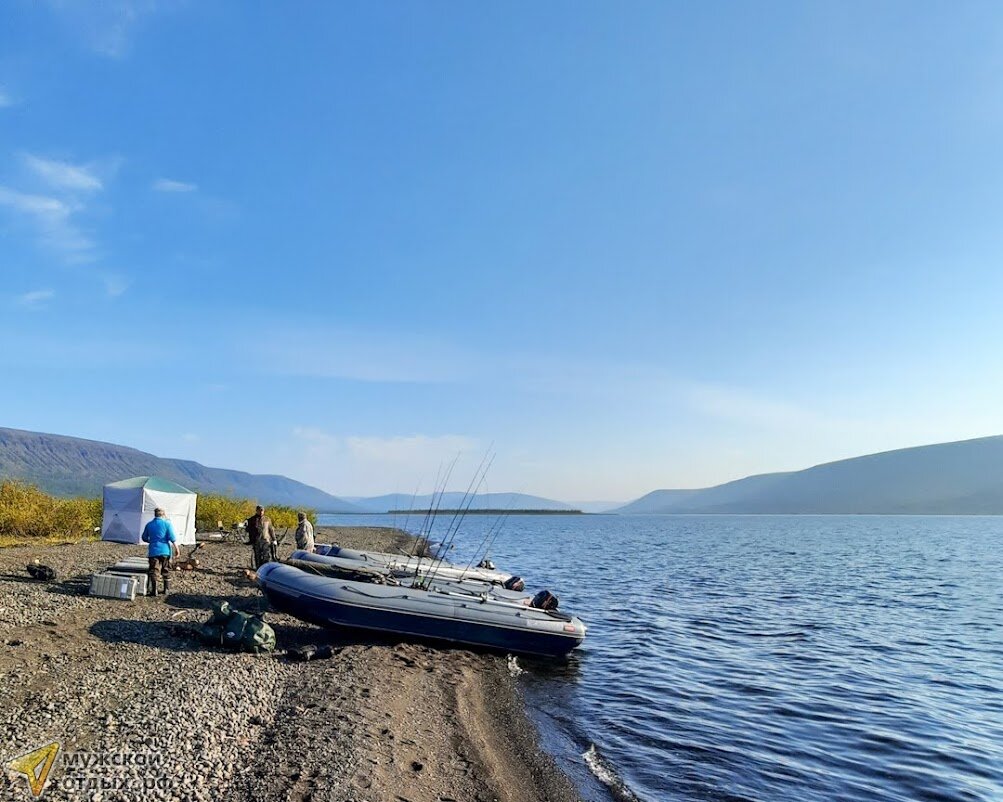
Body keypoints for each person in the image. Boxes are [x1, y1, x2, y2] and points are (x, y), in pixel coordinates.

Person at [141, 508, 177, 597]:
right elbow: (172, 538)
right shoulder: (167, 524)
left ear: (155, 514)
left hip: (153, 550)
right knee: (166, 569)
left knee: (153, 570)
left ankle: (154, 590)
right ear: (163, 514)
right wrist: (177, 549)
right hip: (165, 550)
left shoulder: (149, 525)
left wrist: (152, 541)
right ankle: (166, 590)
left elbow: (144, 537)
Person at [245, 505, 274, 569]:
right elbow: (247, 530)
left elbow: (271, 529)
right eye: (259, 510)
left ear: (264, 511)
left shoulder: (267, 519)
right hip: (256, 541)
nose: (261, 512)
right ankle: (259, 569)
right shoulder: (252, 519)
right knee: (258, 557)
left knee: (267, 556)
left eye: (262, 510)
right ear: (256, 511)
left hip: (266, 540)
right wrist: (247, 526)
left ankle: (266, 569)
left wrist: (274, 539)